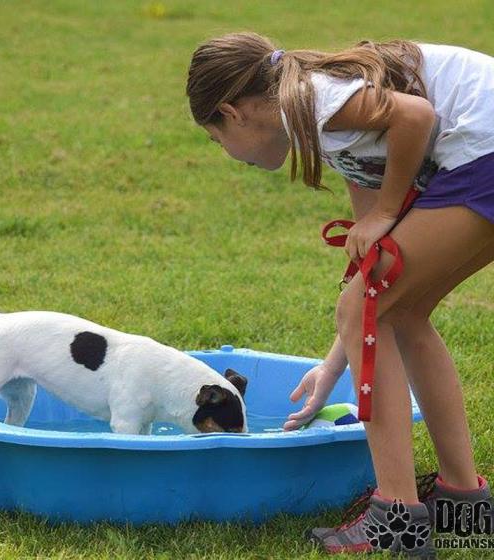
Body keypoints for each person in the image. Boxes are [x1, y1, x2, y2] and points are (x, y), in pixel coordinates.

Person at [186, 32, 494, 557]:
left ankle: (396, 520)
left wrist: (386, 212)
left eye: (218, 140)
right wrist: (331, 368)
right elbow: (371, 288)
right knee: (402, 312)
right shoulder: (327, 126)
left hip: (482, 150)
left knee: (380, 309)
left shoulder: (314, 96)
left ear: (232, 113)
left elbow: (415, 114)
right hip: (479, 155)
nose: (228, 154)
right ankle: (463, 501)